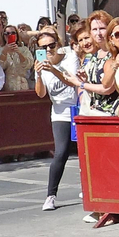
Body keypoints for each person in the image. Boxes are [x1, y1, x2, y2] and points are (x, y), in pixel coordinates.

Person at [32, 28, 78, 211]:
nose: (49, 50)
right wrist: (38, 75)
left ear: (58, 44)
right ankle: (50, 195)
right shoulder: (41, 65)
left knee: (85, 153)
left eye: (52, 45)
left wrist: (54, 69)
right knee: (61, 152)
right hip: (59, 113)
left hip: (76, 108)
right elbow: (41, 93)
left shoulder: (70, 57)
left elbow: (70, 80)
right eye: (44, 47)